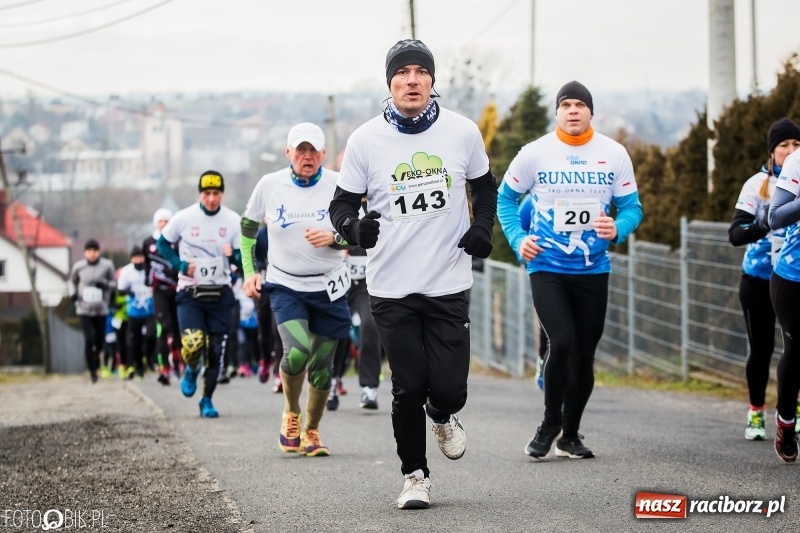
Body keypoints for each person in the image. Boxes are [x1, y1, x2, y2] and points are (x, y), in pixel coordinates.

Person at [329, 39, 497, 509]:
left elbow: (485, 189)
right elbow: (340, 204)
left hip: (447, 280)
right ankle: (415, 475)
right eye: (401, 73)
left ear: (431, 80)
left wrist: (483, 226)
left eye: (420, 72)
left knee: (447, 389)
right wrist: (352, 227)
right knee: (406, 386)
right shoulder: (365, 140)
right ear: (390, 83)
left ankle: (443, 414)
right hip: (391, 285)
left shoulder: (462, 132)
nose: (411, 80)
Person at [498, 81, 643, 461]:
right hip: (547, 265)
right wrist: (518, 239)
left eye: (580, 104)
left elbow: (632, 208)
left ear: (591, 112)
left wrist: (619, 228)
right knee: (561, 342)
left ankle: (571, 434)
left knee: (584, 354)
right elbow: (505, 199)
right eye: (566, 104)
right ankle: (550, 423)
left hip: (594, 268)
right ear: (557, 112)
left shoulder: (613, 154)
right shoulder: (535, 153)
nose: (573, 110)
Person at [241, 122, 350, 458]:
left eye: (312, 151)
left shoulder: (339, 185)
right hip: (285, 284)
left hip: (330, 285)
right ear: (288, 153)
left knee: (321, 366)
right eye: (300, 150)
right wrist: (249, 273)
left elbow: (359, 230)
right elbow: (246, 227)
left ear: (323, 154)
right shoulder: (269, 185)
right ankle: (291, 411)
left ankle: (312, 432)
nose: (307, 156)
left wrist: (335, 238)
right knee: (297, 351)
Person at [729, 118, 800, 442]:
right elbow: (735, 234)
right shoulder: (757, 185)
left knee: (795, 349)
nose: (790, 150)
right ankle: (756, 411)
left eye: (796, 145)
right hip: (759, 279)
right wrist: (766, 225)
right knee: (761, 349)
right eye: (784, 145)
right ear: (772, 152)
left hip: (792, 278)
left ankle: (792, 412)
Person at [157, 170, 242, 418]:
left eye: (216, 193)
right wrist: (180, 265)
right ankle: (192, 369)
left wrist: (231, 255)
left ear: (222, 194)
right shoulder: (184, 217)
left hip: (220, 293)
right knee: (193, 342)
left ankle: (206, 400)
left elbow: (243, 257)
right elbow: (163, 243)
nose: (212, 198)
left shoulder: (233, 220)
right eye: (207, 193)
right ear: (200, 194)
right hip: (190, 293)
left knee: (215, 353)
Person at [768, 124, 800, 463]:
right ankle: (786, 423)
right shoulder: (796, 162)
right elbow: (775, 216)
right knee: (796, 352)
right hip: (793, 277)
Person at [68, 239, 116, 383]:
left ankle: (97, 356)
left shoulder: (107, 265)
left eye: (95, 251)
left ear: (98, 252)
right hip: (84, 309)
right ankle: (92, 371)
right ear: (85, 252)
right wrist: (73, 294)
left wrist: (105, 284)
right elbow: (71, 281)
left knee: (100, 340)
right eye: (89, 251)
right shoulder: (79, 266)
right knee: (89, 339)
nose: (92, 254)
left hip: (101, 309)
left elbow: (114, 283)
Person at [143, 207, 182, 383]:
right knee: (162, 328)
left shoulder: (176, 242)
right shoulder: (148, 242)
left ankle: (178, 359)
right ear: (156, 223)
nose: (163, 224)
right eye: (160, 221)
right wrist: (148, 279)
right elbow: (146, 264)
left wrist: (174, 272)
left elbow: (182, 263)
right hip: (159, 291)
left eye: (166, 221)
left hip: (176, 289)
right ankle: (163, 368)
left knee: (177, 328)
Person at [345, 242, 382, 410]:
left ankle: (370, 388)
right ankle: (332, 379)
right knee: (337, 330)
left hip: (366, 286)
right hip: (337, 281)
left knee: (370, 326)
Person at [116, 246, 156, 380]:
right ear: (131, 259)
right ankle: (138, 366)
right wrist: (130, 292)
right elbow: (120, 290)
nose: (138, 260)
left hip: (150, 309)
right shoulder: (126, 271)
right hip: (134, 311)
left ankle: (149, 357)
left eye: (141, 257)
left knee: (151, 335)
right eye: (135, 257)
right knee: (135, 340)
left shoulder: (150, 268)